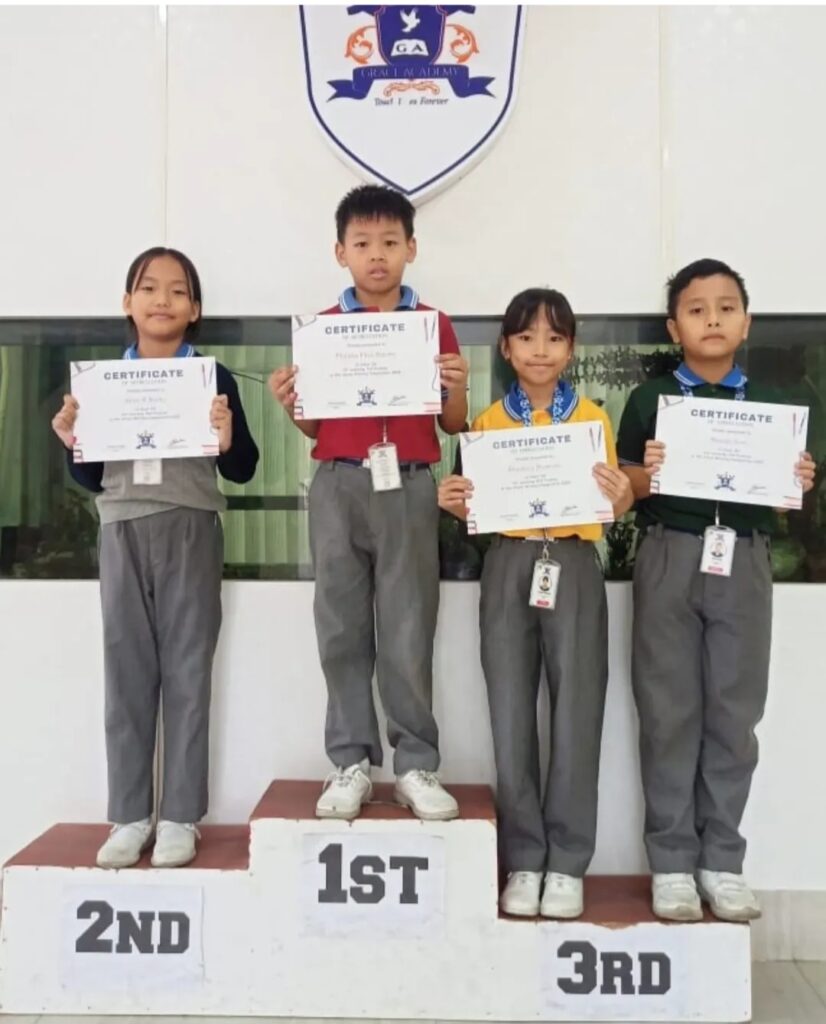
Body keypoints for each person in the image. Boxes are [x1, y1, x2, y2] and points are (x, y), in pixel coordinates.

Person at [617, 258, 816, 921]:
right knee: (667, 713)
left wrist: (797, 478)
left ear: (746, 322)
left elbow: (787, 491)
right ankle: (673, 863)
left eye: (726, 308)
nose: (712, 320)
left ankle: (722, 861)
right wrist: (645, 473)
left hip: (745, 559)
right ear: (675, 327)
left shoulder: (772, 404)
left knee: (734, 714)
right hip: (669, 554)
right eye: (696, 310)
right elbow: (622, 489)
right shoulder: (649, 400)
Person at [51, 246, 259, 868]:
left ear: (194, 309)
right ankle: (130, 815)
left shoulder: (212, 377)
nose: (161, 300)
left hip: (190, 526)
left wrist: (226, 437)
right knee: (126, 672)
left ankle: (179, 817)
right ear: (127, 302)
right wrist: (72, 442)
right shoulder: (99, 381)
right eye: (148, 288)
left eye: (177, 290)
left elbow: (243, 468)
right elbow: (92, 478)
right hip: (120, 529)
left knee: (189, 672)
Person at [269, 185, 468, 822]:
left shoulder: (433, 324)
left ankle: (415, 764)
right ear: (340, 253)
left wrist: (458, 387)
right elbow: (315, 427)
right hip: (338, 483)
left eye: (389, 242)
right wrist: (291, 405)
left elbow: (452, 423)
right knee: (340, 624)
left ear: (412, 247)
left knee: (409, 624)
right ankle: (350, 760)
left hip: (409, 481)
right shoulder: (322, 329)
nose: (376, 255)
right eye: (362, 243)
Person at [439, 288, 632, 918]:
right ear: (506, 347)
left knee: (578, 708)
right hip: (508, 563)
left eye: (554, 338)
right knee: (510, 710)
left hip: (571, 563)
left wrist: (621, 496)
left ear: (571, 348)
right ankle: (524, 858)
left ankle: (568, 862)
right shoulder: (487, 425)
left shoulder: (594, 420)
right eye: (526, 337)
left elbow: (614, 505)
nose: (540, 350)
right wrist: (459, 504)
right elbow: (476, 508)